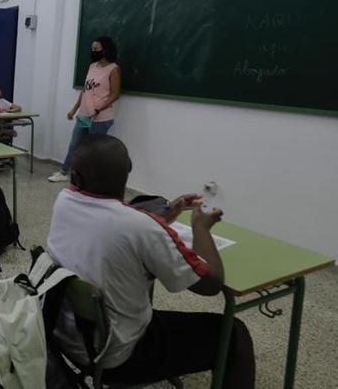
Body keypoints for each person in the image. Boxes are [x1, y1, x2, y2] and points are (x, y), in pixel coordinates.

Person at [46, 134, 255, 388]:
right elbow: (210, 285)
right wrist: (200, 227)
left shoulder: (64, 200)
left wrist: (164, 215)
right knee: (236, 334)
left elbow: (113, 219)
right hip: (119, 357)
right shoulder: (142, 229)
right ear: (128, 171)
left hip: (69, 339)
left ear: (75, 178)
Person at [48, 36, 121, 182]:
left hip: (100, 118)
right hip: (84, 115)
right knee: (74, 145)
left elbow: (115, 94)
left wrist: (99, 108)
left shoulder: (114, 69)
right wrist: (74, 109)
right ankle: (64, 172)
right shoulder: (92, 67)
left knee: (93, 150)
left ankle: (91, 178)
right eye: (92, 49)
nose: (93, 51)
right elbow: (85, 90)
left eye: (96, 49)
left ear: (105, 50)